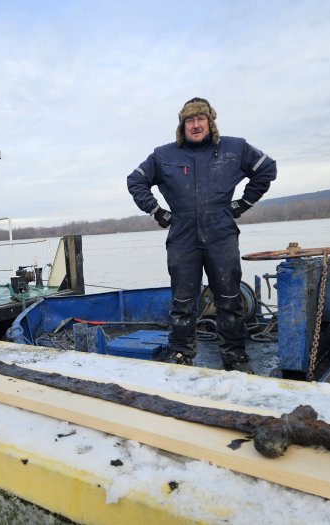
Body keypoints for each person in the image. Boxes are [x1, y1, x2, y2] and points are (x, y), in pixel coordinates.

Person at [127, 97, 277, 371]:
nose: (195, 125)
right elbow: (135, 180)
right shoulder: (163, 155)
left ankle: (235, 356)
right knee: (183, 301)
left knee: (229, 298)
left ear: (210, 122)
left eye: (200, 119)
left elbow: (267, 168)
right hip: (183, 234)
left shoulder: (235, 148)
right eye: (189, 120)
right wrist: (156, 211)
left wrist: (244, 203)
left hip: (221, 231)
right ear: (182, 125)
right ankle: (182, 355)